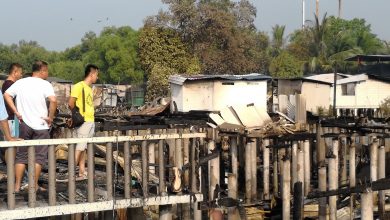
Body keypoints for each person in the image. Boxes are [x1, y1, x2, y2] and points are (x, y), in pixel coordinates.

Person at [4, 60, 57, 192]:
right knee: (39, 157)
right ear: (42, 70)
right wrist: (50, 117)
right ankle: (33, 185)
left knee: (21, 156)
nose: (47, 74)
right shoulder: (45, 84)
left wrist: (16, 111)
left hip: (24, 124)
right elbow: (53, 100)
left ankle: (17, 186)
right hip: (41, 125)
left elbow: (7, 95)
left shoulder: (21, 82)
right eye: (47, 71)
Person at [68, 64, 98, 180]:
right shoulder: (79, 86)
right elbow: (71, 103)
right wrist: (76, 115)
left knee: (83, 147)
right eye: (96, 74)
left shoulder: (89, 89)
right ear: (92, 74)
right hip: (84, 121)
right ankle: (71, 174)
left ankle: (81, 171)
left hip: (90, 120)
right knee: (79, 147)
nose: (97, 77)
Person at [0, 63, 23, 164]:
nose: (21, 75)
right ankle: (10, 168)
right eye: (20, 73)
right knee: (11, 145)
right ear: (15, 72)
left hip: (10, 118)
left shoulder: (6, 84)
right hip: (10, 119)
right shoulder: (10, 85)